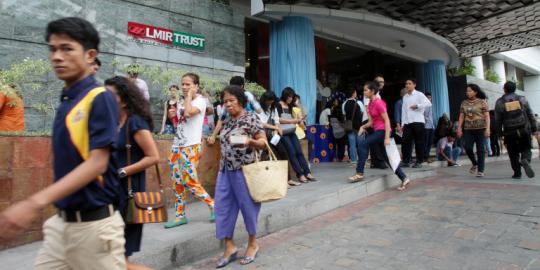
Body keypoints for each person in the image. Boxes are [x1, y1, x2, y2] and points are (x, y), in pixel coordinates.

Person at [0, 17, 126, 269]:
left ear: (91, 55)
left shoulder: (99, 97)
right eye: (53, 49)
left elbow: (97, 164)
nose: (57, 56)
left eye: (67, 48)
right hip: (60, 226)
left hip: (95, 230)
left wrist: (33, 203)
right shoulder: (68, 98)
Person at [105, 76, 159, 270]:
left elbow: (153, 157)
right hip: (109, 193)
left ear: (125, 100)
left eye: (110, 95)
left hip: (128, 195)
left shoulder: (135, 123)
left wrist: (121, 171)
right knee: (114, 259)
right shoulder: (111, 122)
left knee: (119, 260)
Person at [214, 85, 267, 267]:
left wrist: (250, 141)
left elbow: (263, 142)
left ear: (241, 101)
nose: (227, 104)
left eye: (231, 100)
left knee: (248, 208)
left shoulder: (251, 118)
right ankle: (230, 247)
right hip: (225, 170)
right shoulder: (227, 120)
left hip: (245, 171)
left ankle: (253, 243)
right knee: (222, 208)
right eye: (225, 101)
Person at [165, 73, 215, 228]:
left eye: (188, 84)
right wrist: (171, 114)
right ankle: (180, 215)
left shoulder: (201, 101)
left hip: (191, 146)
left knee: (189, 180)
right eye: (183, 84)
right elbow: (179, 119)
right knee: (176, 181)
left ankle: (213, 204)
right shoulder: (182, 101)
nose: (185, 87)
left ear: (196, 86)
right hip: (177, 145)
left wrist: (189, 97)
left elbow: (188, 113)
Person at [348, 81, 410, 191]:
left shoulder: (379, 103)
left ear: (372, 91)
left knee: (363, 144)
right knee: (387, 157)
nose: (364, 92)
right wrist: (363, 127)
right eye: (364, 90)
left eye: (366, 90)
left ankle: (359, 172)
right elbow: (371, 122)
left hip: (383, 131)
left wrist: (386, 137)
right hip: (378, 131)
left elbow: (387, 120)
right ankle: (403, 177)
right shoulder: (370, 104)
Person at [494, 81, 537, 179]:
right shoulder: (522, 99)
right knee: (526, 147)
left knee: (512, 152)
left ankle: (517, 173)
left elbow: (497, 119)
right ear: (515, 89)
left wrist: (499, 133)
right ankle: (525, 160)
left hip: (509, 131)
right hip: (523, 129)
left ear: (504, 89)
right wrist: (534, 127)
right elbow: (530, 113)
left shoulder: (500, 102)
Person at [258, 91, 300, 187]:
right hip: (263, 135)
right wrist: (275, 128)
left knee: (284, 154)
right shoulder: (259, 109)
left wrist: (276, 131)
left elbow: (276, 120)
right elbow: (262, 124)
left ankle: (288, 179)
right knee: (269, 156)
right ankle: (278, 181)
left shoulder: (273, 108)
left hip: (273, 135)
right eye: (269, 101)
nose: (270, 103)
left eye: (272, 101)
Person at [207, 76, 262, 145]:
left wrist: (213, 135)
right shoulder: (247, 95)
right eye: (226, 101)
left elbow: (221, 119)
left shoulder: (228, 99)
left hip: (234, 128)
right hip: (245, 127)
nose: (228, 103)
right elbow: (259, 110)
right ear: (242, 86)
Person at [278, 87, 316, 183]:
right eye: (289, 96)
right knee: (292, 152)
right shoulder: (278, 105)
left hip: (291, 131)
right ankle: (300, 174)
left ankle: (307, 172)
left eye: (292, 97)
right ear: (285, 95)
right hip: (283, 132)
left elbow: (302, 115)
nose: (290, 99)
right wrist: (292, 120)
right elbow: (278, 119)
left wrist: (298, 105)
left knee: (299, 152)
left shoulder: (291, 106)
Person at [457, 84, 490, 177]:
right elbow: (461, 116)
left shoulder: (482, 102)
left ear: (475, 92)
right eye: (467, 91)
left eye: (469, 91)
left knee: (481, 150)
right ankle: (475, 163)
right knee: (467, 148)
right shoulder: (464, 103)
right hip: (468, 129)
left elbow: (487, 116)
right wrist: (459, 128)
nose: (467, 92)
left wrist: (487, 128)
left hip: (480, 129)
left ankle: (481, 170)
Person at [399, 79, 431, 168]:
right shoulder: (405, 97)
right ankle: (406, 161)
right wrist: (402, 124)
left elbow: (428, 103)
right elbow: (403, 111)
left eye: (409, 83)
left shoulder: (419, 94)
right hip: (408, 122)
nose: (407, 85)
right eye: (406, 84)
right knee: (405, 142)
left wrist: (417, 106)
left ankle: (419, 161)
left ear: (414, 85)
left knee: (419, 142)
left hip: (418, 121)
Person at [365, 75, 388, 169]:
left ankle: (376, 162)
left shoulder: (377, 95)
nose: (382, 84)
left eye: (383, 82)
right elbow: (367, 108)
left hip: (375, 122)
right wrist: (371, 122)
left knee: (375, 143)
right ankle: (379, 162)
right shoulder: (370, 93)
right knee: (376, 143)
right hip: (371, 121)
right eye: (380, 82)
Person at [343, 89, 365, 164]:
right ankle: (361, 159)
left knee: (352, 144)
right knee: (360, 143)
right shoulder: (357, 103)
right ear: (353, 94)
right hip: (357, 126)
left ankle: (353, 160)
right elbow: (360, 115)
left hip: (349, 126)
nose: (356, 94)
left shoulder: (345, 104)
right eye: (355, 92)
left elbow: (344, 115)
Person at [423, 93, 435, 163]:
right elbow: (423, 115)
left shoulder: (430, 105)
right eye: (427, 97)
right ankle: (425, 157)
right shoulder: (423, 106)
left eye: (430, 97)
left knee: (430, 142)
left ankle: (427, 156)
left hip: (431, 126)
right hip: (425, 126)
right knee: (425, 142)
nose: (429, 99)